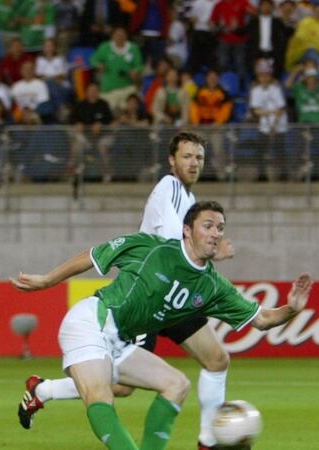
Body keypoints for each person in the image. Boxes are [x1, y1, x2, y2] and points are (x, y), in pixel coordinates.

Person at [12, 200, 313, 450]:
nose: (215, 234)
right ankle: (44, 391)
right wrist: (47, 280)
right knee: (101, 394)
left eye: (220, 229)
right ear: (187, 230)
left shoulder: (213, 286)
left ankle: (42, 390)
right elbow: (94, 255)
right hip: (91, 321)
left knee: (177, 384)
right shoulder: (152, 248)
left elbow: (262, 319)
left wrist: (292, 309)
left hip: (120, 340)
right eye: (207, 226)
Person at [17, 132, 244, 450]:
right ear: (172, 160)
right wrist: (212, 253)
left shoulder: (191, 202)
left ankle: (208, 440)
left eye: (199, 158)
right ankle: (44, 391)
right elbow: (170, 249)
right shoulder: (171, 189)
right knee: (121, 387)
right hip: (147, 296)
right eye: (187, 156)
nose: (194, 163)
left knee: (217, 360)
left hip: (173, 295)